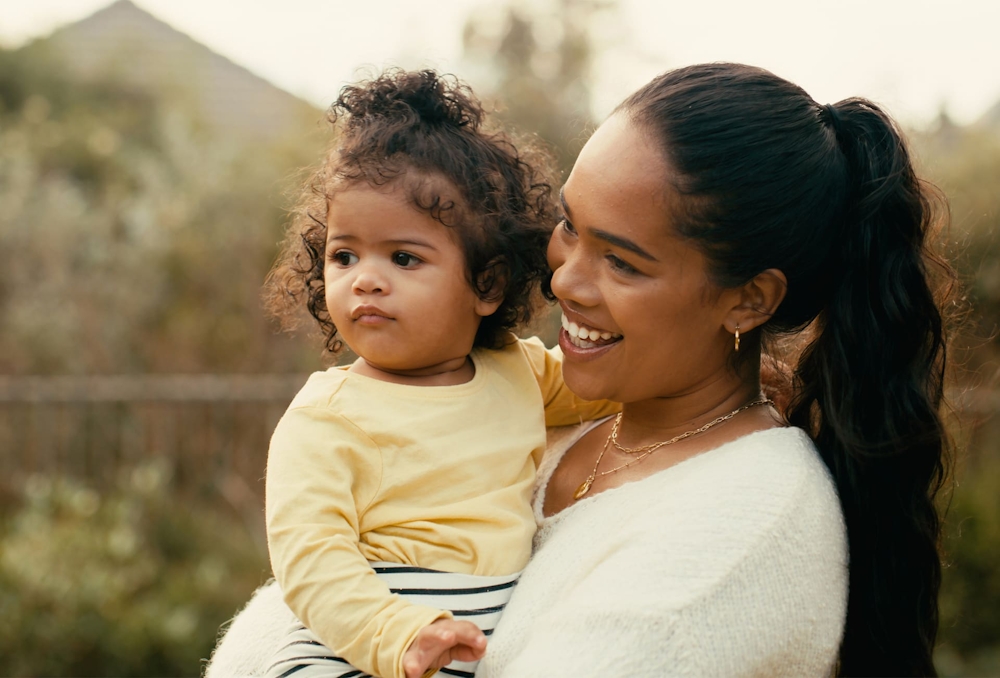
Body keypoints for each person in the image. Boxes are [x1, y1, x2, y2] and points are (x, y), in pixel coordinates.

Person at [207, 62, 954, 677]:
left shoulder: (741, 532)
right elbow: (321, 572)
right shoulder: (563, 415)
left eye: (622, 261)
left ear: (749, 298)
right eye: (570, 225)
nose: (564, 279)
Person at [255, 69, 618, 678]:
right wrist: (396, 635)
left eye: (402, 257)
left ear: (487, 283)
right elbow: (310, 560)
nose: (364, 278)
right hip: (359, 646)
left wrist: (724, 373)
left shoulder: (516, 370)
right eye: (344, 255)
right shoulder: (326, 418)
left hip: (478, 642)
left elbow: (599, 390)